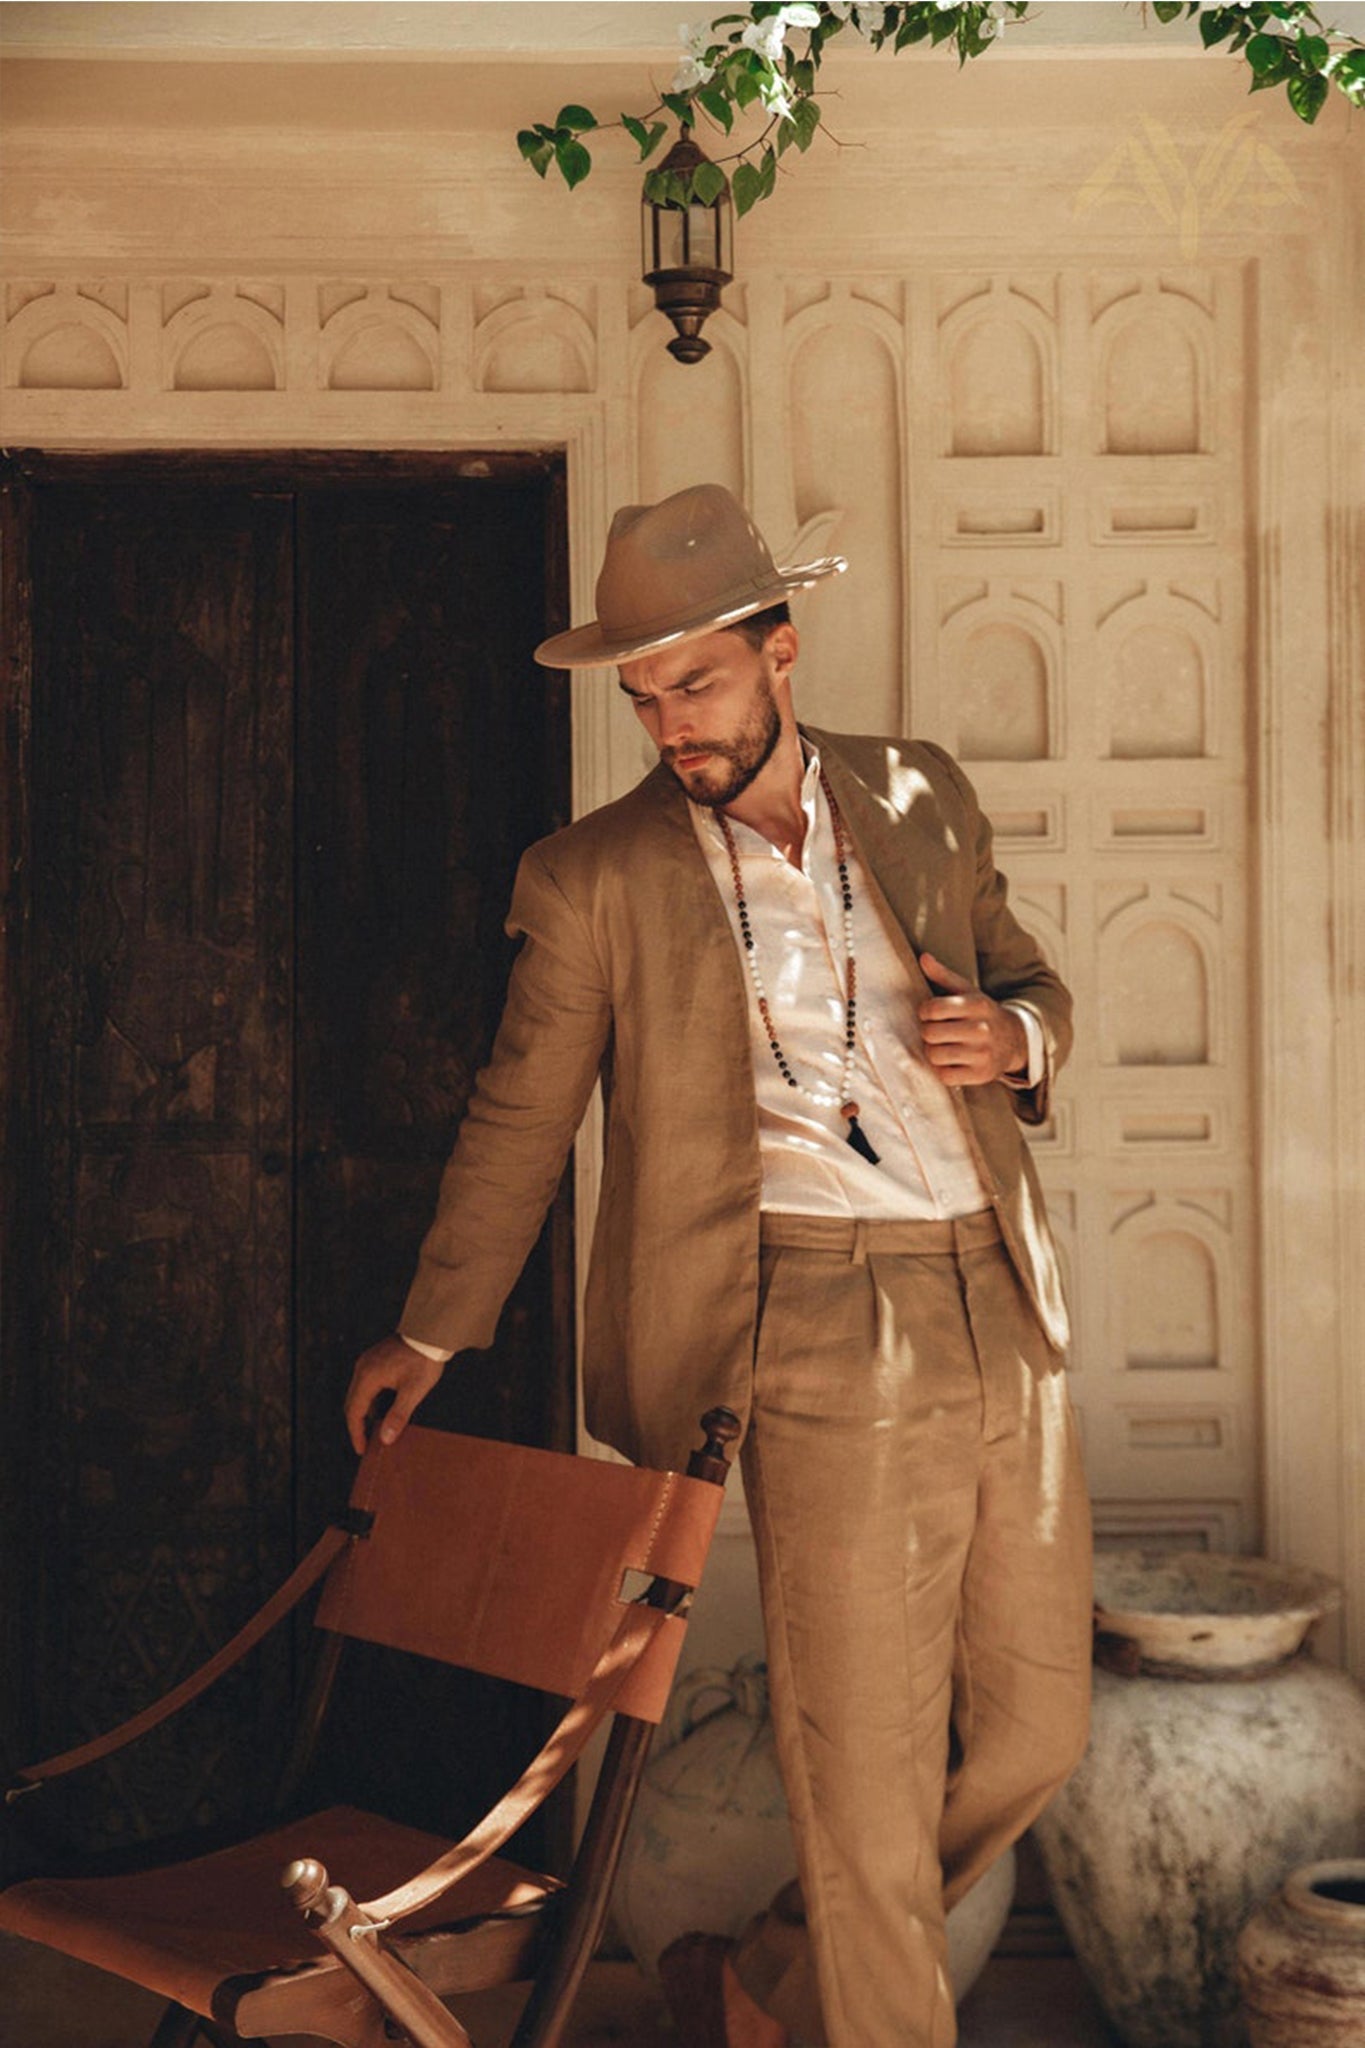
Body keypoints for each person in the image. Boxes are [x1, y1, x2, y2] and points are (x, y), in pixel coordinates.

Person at [345, 483, 1093, 2048]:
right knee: (863, 1777)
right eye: (642, 695)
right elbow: (520, 1115)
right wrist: (433, 1333)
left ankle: (758, 1982)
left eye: (694, 681)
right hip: (801, 1314)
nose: (669, 722)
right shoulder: (592, 875)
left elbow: (1025, 974)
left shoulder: (917, 793)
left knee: (1030, 1733)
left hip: (993, 1292)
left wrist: (1012, 1037)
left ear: (779, 653)